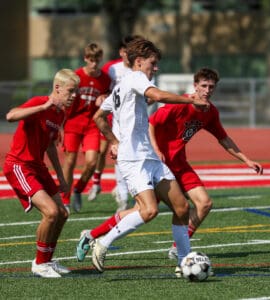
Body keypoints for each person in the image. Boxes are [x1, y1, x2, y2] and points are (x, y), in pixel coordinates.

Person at [77, 38, 209, 275]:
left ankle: (183, 261)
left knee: (181, 208)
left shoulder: (122, 85)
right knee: (149, 211)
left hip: (149, 156)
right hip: (133, 159)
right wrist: (191, 100)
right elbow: (157, 96)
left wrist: (114, 140)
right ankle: (103, 242)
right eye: (153, 63)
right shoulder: (137, 78)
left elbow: (98, 116)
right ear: (139, 62)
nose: (155, 68)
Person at [148, 67, 263, 259]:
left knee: (205, 203)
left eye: (211, 86)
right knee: (145, 212)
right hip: (159, 165)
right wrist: (157, 151)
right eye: (203, 85)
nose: (207, 90)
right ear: (195, 86)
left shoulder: (210, 112)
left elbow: (223, 138)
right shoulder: (179, 105)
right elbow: (151, 123)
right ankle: (96, 237)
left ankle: (177, 247)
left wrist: (247, 160)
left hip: (180, 164)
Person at [3, 69, 80, 278]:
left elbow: (50, 147)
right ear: (57, 88)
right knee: (51, 212)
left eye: (76, 92)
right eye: (71, 91)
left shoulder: (60, 113)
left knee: (63, 213)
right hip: (19, 165)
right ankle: (39, 263)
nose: (74, 96)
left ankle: (46, 260)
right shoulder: (40, 102)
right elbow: (11, 115)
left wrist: (61, 178)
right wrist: (42, 106)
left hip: (38, 167)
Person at [88, 35, 142, 213]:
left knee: (135, 155)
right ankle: (121, 195)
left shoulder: (140, 70)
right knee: (111, 153)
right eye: (128, 51)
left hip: (136, 120)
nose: (130, 55)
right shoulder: (112, 69)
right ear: (121, 52)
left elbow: (149, 96)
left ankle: (130, 192)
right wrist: (102, 97)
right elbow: (101, 87)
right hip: (114, 119)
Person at [61, 42, 111, 213]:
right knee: (70, 162)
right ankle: (65, 200)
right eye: (90, 59)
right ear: (85, 58)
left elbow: (109, 93)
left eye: (97, 59)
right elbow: (64, 97)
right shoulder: (76, 77)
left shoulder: (104, 78)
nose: (94, 63)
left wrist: (104, 96)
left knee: (91, 162)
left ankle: (77, 190)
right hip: (73, 123)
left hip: (92, 125)